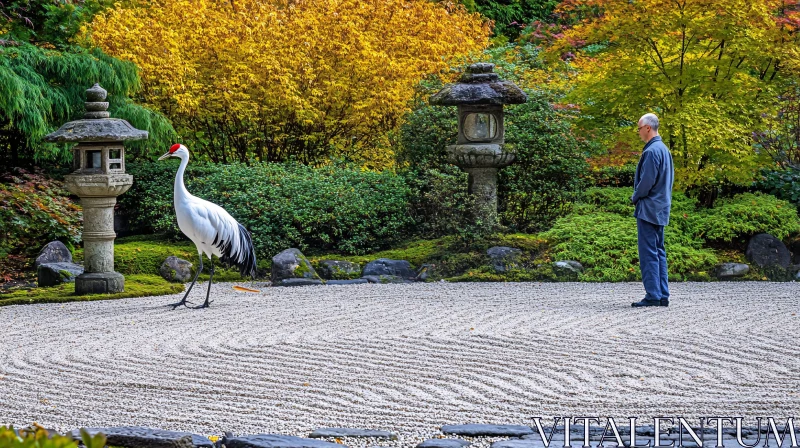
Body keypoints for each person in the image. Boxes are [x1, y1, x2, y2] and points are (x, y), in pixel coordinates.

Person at [630, 113, 674, 307]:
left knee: (648, 252)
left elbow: (646, 182)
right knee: (659, 251)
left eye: (639, 128)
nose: (638, 132)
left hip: (649, 208)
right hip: (661, 207)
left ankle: (653, 295)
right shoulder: (664, 149)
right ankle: (662, 294)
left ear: (648, 128)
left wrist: (635, 196)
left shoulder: (651, 151)